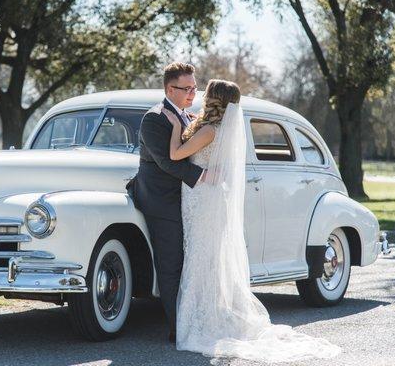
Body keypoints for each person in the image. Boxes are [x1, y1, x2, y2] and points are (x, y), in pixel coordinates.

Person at [162, 79, 341, 362]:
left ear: (213, 100)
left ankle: (200, 322)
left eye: (205, 93)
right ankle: (205, 314)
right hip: (206, 198)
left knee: (200, 257)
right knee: (206, 258)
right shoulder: (216, 128)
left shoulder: (209, 130)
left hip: (202, 201)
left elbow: (175, 154)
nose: (200, 96)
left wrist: (175, 127)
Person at [127, 62, 205, 343]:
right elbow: (166, 162)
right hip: (161, 202)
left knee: (185, 262)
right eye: (187, 88)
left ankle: (188, 319)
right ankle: (178, 329)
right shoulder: (155, 118)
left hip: (182, 201)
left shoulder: (185, 115)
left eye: (195, 88)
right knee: (170, 264)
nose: (192, 93)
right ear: (169, 89)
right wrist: (205, 176)